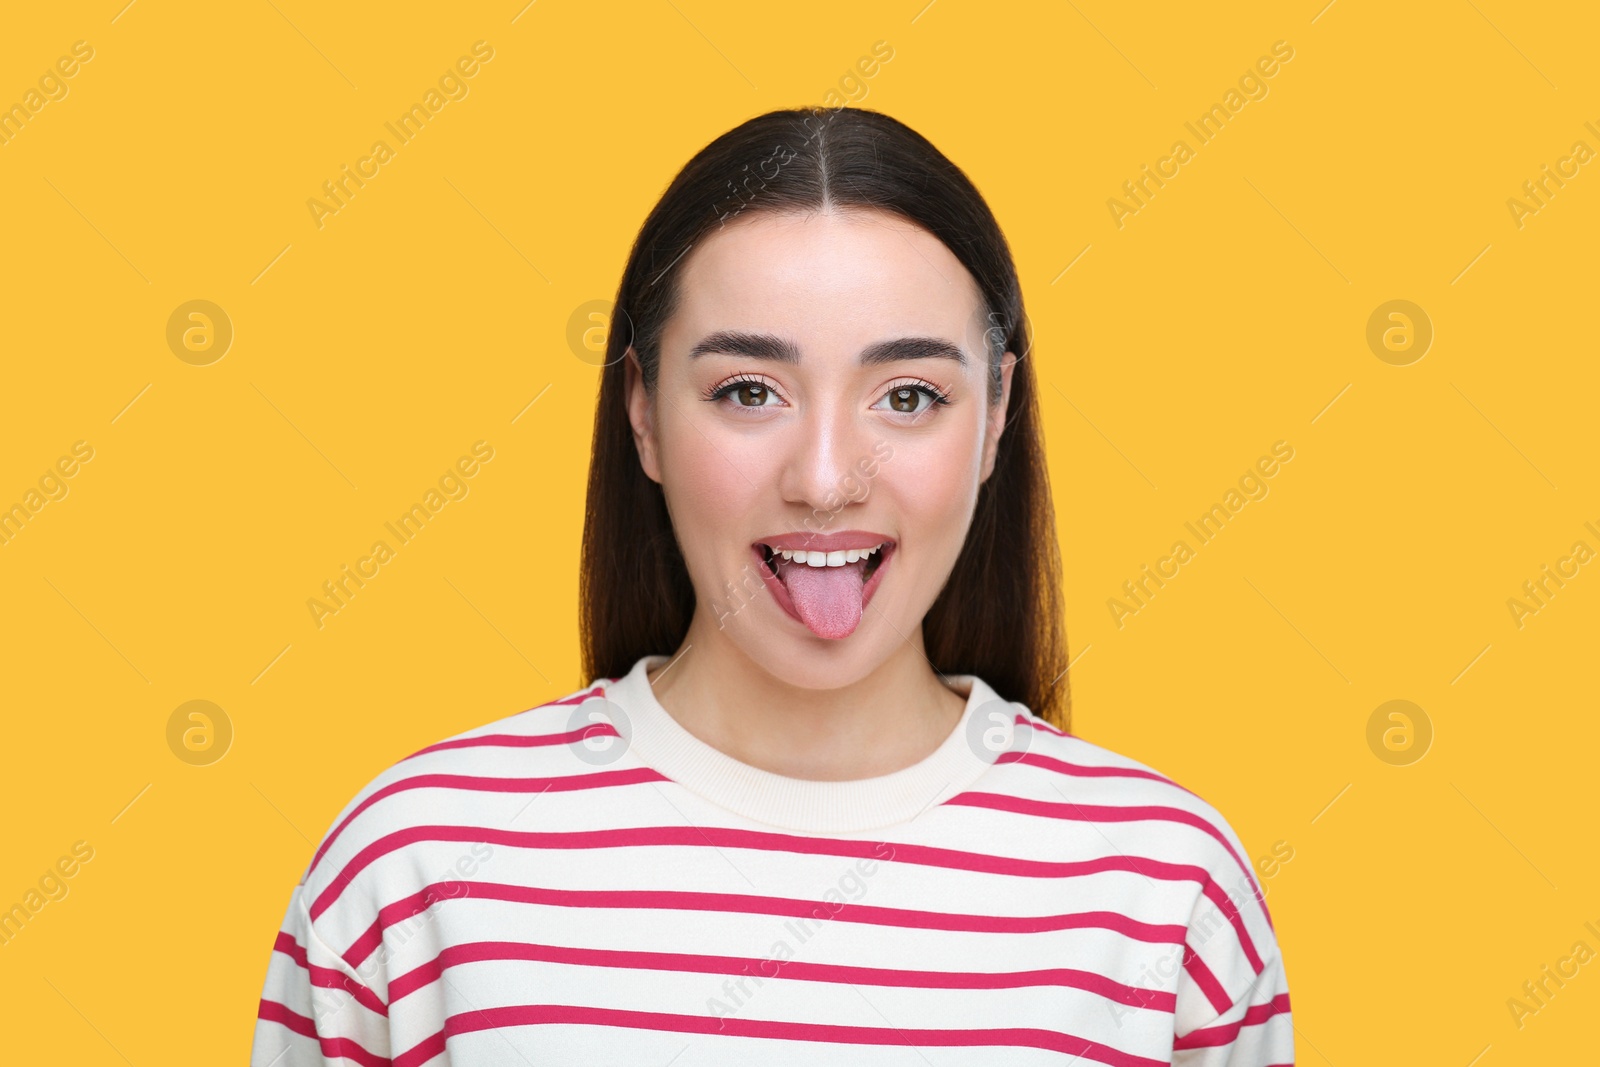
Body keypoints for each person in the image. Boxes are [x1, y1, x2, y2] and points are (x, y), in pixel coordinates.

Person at [251, 105, 1293, 1066]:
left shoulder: (1165, 891)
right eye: (748, 391)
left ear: (995, 414)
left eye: (909, 395)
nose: (826, 478)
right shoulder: (413, 867)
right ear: (644, 412)